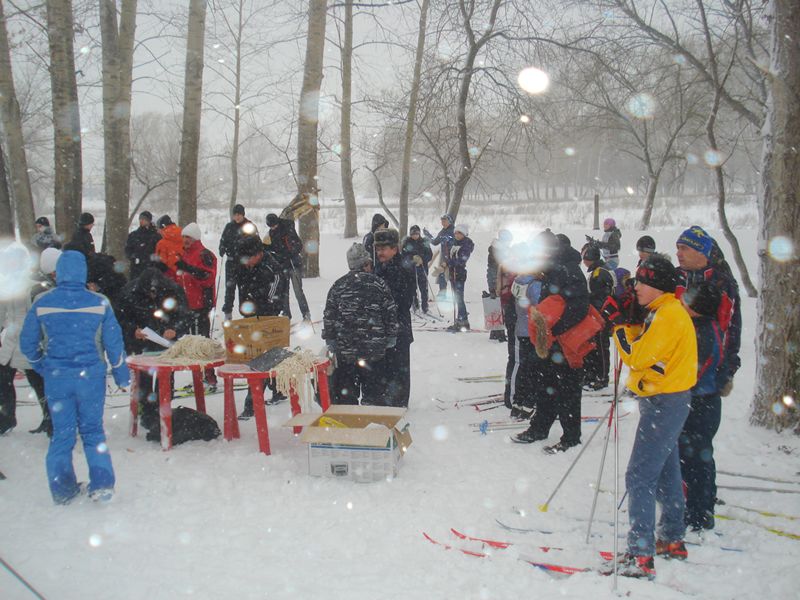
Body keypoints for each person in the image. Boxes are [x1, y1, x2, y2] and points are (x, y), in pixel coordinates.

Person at [600, 253, 697, 579]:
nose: (637, 288)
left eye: (642, 282)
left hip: (664, 402)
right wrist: (631, 321)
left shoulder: (668, 315)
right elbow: (649, 345)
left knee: (639, 476)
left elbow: (638, 356)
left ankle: (640, 555)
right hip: (666, 399)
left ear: (658, 285)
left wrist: (618, 326)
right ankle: (671, 538)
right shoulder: (662, 311)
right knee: (666, 472)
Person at [20, 250, 130, 504]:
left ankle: (62, 489)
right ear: (83, 272)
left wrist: (41, 365)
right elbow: (114, 344)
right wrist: (121, 374)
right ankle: (102, 485)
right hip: (91, 377)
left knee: (62, 434)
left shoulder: (43, 302)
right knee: (93, 431)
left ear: (58, 272)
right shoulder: (99, 302)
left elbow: (27, 343)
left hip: (57, 378)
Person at [512, 230, 589, 453]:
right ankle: (539, 428)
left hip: (567, 343)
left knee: (568, 391)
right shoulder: (552, 270)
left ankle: (571, 438)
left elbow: (580, 307)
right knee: (546, 387)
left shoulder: (568, 270)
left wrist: (555, 329)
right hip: (550, 341)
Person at [115, 267, 192, 432]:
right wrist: (133, 330)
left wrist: (175, 329)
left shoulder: (174, 290)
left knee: (166, 377)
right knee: (144, 379)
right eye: (149, 293)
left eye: (155, 292)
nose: (152, 296)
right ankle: (147, 412)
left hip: (166, 343)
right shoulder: (128, 293)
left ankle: (163, 407)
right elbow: (120, 319)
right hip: (141, 343)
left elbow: (185, 316)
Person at [323, 243, 399, 405]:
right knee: (374, 394)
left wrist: (330, 338)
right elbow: (390, 312)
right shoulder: (378, 284)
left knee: (346, 394)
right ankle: (371, 414)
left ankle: (349, 415)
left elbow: (329, 315)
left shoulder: (338, 286)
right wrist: (391, 336)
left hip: (346, 351)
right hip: (374, 350)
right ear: (365, 264)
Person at [674, 226, 741, 398]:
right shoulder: (672, 278)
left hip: (709, 379)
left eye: (684, 248)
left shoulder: (722, 283)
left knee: (704, 414)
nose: (678, 253)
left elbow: (732, 327)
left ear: (701, 251)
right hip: (673, 376)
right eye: (678, 248)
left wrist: (729, 369)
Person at [679, 281, 724, 532]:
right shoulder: (697, 326)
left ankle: (698, 512)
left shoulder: (702, 332)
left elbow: (693, 371)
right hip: (700, 400)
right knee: (698, 456)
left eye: (687, 298)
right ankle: (701, 504)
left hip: (700, 402)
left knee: (695, 459)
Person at [235, 235, 289, 418]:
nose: (246, 262)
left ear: (258, 254)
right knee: (264, 358)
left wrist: (262, 315)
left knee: (261, 362)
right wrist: (245, 310)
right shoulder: (244, 266)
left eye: (249, 258)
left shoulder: (272, 269)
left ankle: (251, 404)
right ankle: (279, 389)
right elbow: (241, 289)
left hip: (268, 318)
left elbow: (275, 298)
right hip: (250, 318)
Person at [0, 244, 48, 436]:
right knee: (3, 380)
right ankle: (7, 418)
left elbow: (38, 314)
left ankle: (49, 417)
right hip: (10, 341)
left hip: (29, 339)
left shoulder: (33, 286)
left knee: (37, 381)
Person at [374, 228, 416, 407]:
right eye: (378, 249)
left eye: (383, 249)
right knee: (384, 368)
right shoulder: (379, 267)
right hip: (382, 329)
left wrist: (384, 305)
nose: (379, 253)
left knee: (399, 368)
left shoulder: (403, 268)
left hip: (399, 327)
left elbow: (404, 301)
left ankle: (399, 403)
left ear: (394, 249)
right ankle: (386, 401)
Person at [176, 222, 218, 388]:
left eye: (188, 237)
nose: (185, 240)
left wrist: (189, 269)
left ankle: (209, 377)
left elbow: (208, 278)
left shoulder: (205, 254)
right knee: (192, 342)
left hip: (201, 305)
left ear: (195, 238)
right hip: (187, 304)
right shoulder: (184, 254)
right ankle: (198, 376)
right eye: (183, 237)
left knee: (202, 341)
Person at [508, 265, 544, 421]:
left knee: (523, 366)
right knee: (532, 368)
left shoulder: (519, 281)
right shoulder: (534, 284)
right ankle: (528, 403)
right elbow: (539, 305)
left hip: (522, 327)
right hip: (532, 329)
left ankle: (518, 402)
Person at [581, 244, 615, 390]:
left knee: (601, 347)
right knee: (597, 347)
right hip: (599, 315)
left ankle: (602, 377)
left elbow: (601, 297)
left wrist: (591, 305)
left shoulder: (599, 273)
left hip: (601, 316)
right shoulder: (598, 270)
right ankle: (595, 375)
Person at [265, 212, 310, 321]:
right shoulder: (272, 232)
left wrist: (291, 252)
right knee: (284, 292)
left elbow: (298, 245)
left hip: (294, 263)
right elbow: (276, 248)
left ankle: (306, 314)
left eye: (274, 225)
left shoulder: (287, 227)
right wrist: (267, 248)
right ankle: (286, 315)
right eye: (271, 226)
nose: (273, 227)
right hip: (283, 265)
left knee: (298, 290)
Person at [219, 204, 259, 320]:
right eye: (235, 215)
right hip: (231, 263)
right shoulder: (229, 226)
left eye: (239, 215)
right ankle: (228, 313)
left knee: (244, 290)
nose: (237, 217)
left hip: (244, 264)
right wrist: (222, 248)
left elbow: (257, 244)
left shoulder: (249, 226)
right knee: (229, 289)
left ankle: (246, 314)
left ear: (243, 215)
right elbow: (223, 240)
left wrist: (249, 252)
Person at [446, 223, 474, 331]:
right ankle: (461, 320)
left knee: (459, 298)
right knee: (457, 298)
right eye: (456, 233)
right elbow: (450, 257)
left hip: (459, 274)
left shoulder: (466, 244)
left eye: (459, 233)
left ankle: (463, 321)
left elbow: (461, 260)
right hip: (453, 273)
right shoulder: (454, 243)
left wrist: (450, 263)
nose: (457, 235)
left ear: (464, 234)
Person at [400, 224, 433, 314]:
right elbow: (404, 256)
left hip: (422, 269)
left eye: (416, 234)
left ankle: (425, 307)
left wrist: (422, 258)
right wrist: (412, 259)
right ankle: (415, 305)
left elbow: (429, 255)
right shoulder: (407, 243)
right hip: (411, 270)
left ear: (419, 234)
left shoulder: (424, 242)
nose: (415, 236)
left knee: (424, 289)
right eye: (413, 234)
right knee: (412, 289)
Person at [486, 229, 512, 341]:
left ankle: (496, 331)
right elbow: (494, 269)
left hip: (499, 280)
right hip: (498, 280)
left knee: (496, 305)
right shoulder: (497, 251)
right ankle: (498, 332)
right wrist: (494, 285)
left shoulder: (500, 250)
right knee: (498, 306)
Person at [423, 214, 456, 296]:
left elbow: (454, 246)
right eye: (442, 221)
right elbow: (435, 242)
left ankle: (456, 296)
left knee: (453, 278)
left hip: (453, 259)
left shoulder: (454, 231)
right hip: (444, 259)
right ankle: (442, 294)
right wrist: (428, 235)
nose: (443, 223)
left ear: (450, 221)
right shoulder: (442, 232)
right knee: (442, 277)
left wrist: (448, 260)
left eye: (445, 221)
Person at [125, 210, 161, 280]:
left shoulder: (156, 236)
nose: (141, 221)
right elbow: (128, 249)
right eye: (140, 218)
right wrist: (133, 257)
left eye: (144, 219)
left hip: (151, 267)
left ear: (149, 221)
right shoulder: (133, 235)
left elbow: (160, 251)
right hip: (136, 267)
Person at [155, 215, 184, 281]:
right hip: (184, 275)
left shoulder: (162, 243)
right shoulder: (184, 236)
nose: (157, 232)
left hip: (169, 277)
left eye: (158, 229)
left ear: (162, 227)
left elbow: (161, 263)